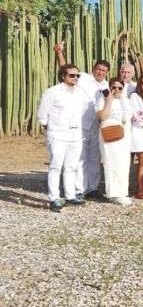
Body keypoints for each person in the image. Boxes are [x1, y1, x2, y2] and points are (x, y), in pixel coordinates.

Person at [54, 42, 109, 199]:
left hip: (97, 126)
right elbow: (66, 70)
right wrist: (59, 53)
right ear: (94, 68)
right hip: (80, 124)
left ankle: (92, 188)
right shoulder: (83, 77)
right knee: (79, 158)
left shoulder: (106, 85)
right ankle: (79, 189)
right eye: (98, 69)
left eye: (103, 70)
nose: (100, 72)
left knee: (94, 158)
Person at [38, 64, 87, 212]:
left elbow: (84, 110)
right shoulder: (52, 92)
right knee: (55, 166)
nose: (75, 78)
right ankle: (54, 198)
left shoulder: (80, 93)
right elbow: (42, 114)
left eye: (77, 75)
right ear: (63, 76)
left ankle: (70, 195)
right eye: (72, 75)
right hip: (58, 134)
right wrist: (50, 129)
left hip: (76, 134)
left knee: (71, 167)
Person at [96, 77, 133, 206]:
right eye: (114, 87)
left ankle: (122, 192)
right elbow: (102, 116)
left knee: (123, 164)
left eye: (119, 88)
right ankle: (113, 193)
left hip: (124, 136)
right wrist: (109, 101)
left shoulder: (126, 101)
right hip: (110, 134)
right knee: (112, 163)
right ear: (109, 87)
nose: (116, 90)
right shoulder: (103, 99)